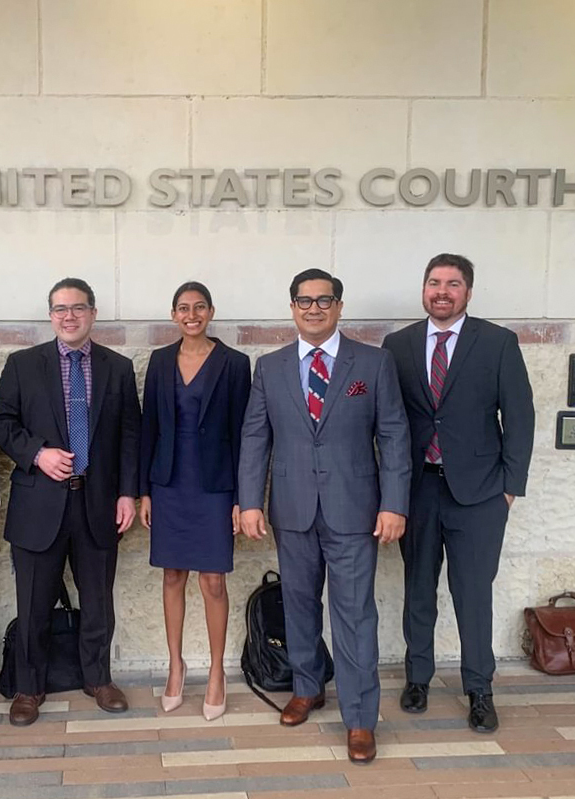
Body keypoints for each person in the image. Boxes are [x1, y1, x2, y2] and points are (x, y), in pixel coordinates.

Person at [237, 269, 410, 765]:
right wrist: (250, 501)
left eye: (324, 300)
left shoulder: (373, 364)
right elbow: (255, 436)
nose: (314, 309)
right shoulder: (269, 367)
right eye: (304, 301)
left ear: (339, 306)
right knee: (298, 606)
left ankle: (359, 718)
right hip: (292, 509)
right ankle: (307, 686)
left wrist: (394, 502)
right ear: (292, 307)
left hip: (354, 510)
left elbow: (395, 435)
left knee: (354, 615)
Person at [381, 253, 534, 733]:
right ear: (423, 289)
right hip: (418, 490)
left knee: (472, 594)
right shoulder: (398, 345)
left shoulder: (498, 343)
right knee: (418, 591)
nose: (441, 291)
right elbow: (388, 423)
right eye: (433, 282)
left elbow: (520, 417)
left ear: (468, 291)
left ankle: (479, 689)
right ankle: (418, 677)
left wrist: (510, 489)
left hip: (480, 495)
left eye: (452, 283)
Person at [0, 277, 140, 727]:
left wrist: (128, 492)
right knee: (34, 603)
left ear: (93, 314)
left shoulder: (117, 367)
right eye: (59, 309)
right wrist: (37, 452)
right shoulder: (23, 364)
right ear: (51, 315)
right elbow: (0, 421)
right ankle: (29, 687)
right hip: (40, 505)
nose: (68, 316)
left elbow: (131, 433)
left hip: (98, 504)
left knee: (98, 601)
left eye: (77, 308)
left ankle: (98, 678)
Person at [138, 281, 250, 720]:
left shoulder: (235, 363)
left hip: (215, 486)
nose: (191, 315)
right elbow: (149, 427)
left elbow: (245, 434)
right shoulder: (160, 360)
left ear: (211, 312)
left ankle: (218, 672)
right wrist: (144, 490)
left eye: (199, 307)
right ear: (173, 314)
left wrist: (244, 499)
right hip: (169, 483)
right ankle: (175, 665)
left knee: (213, 582)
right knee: (172, 576)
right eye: (183, 308)